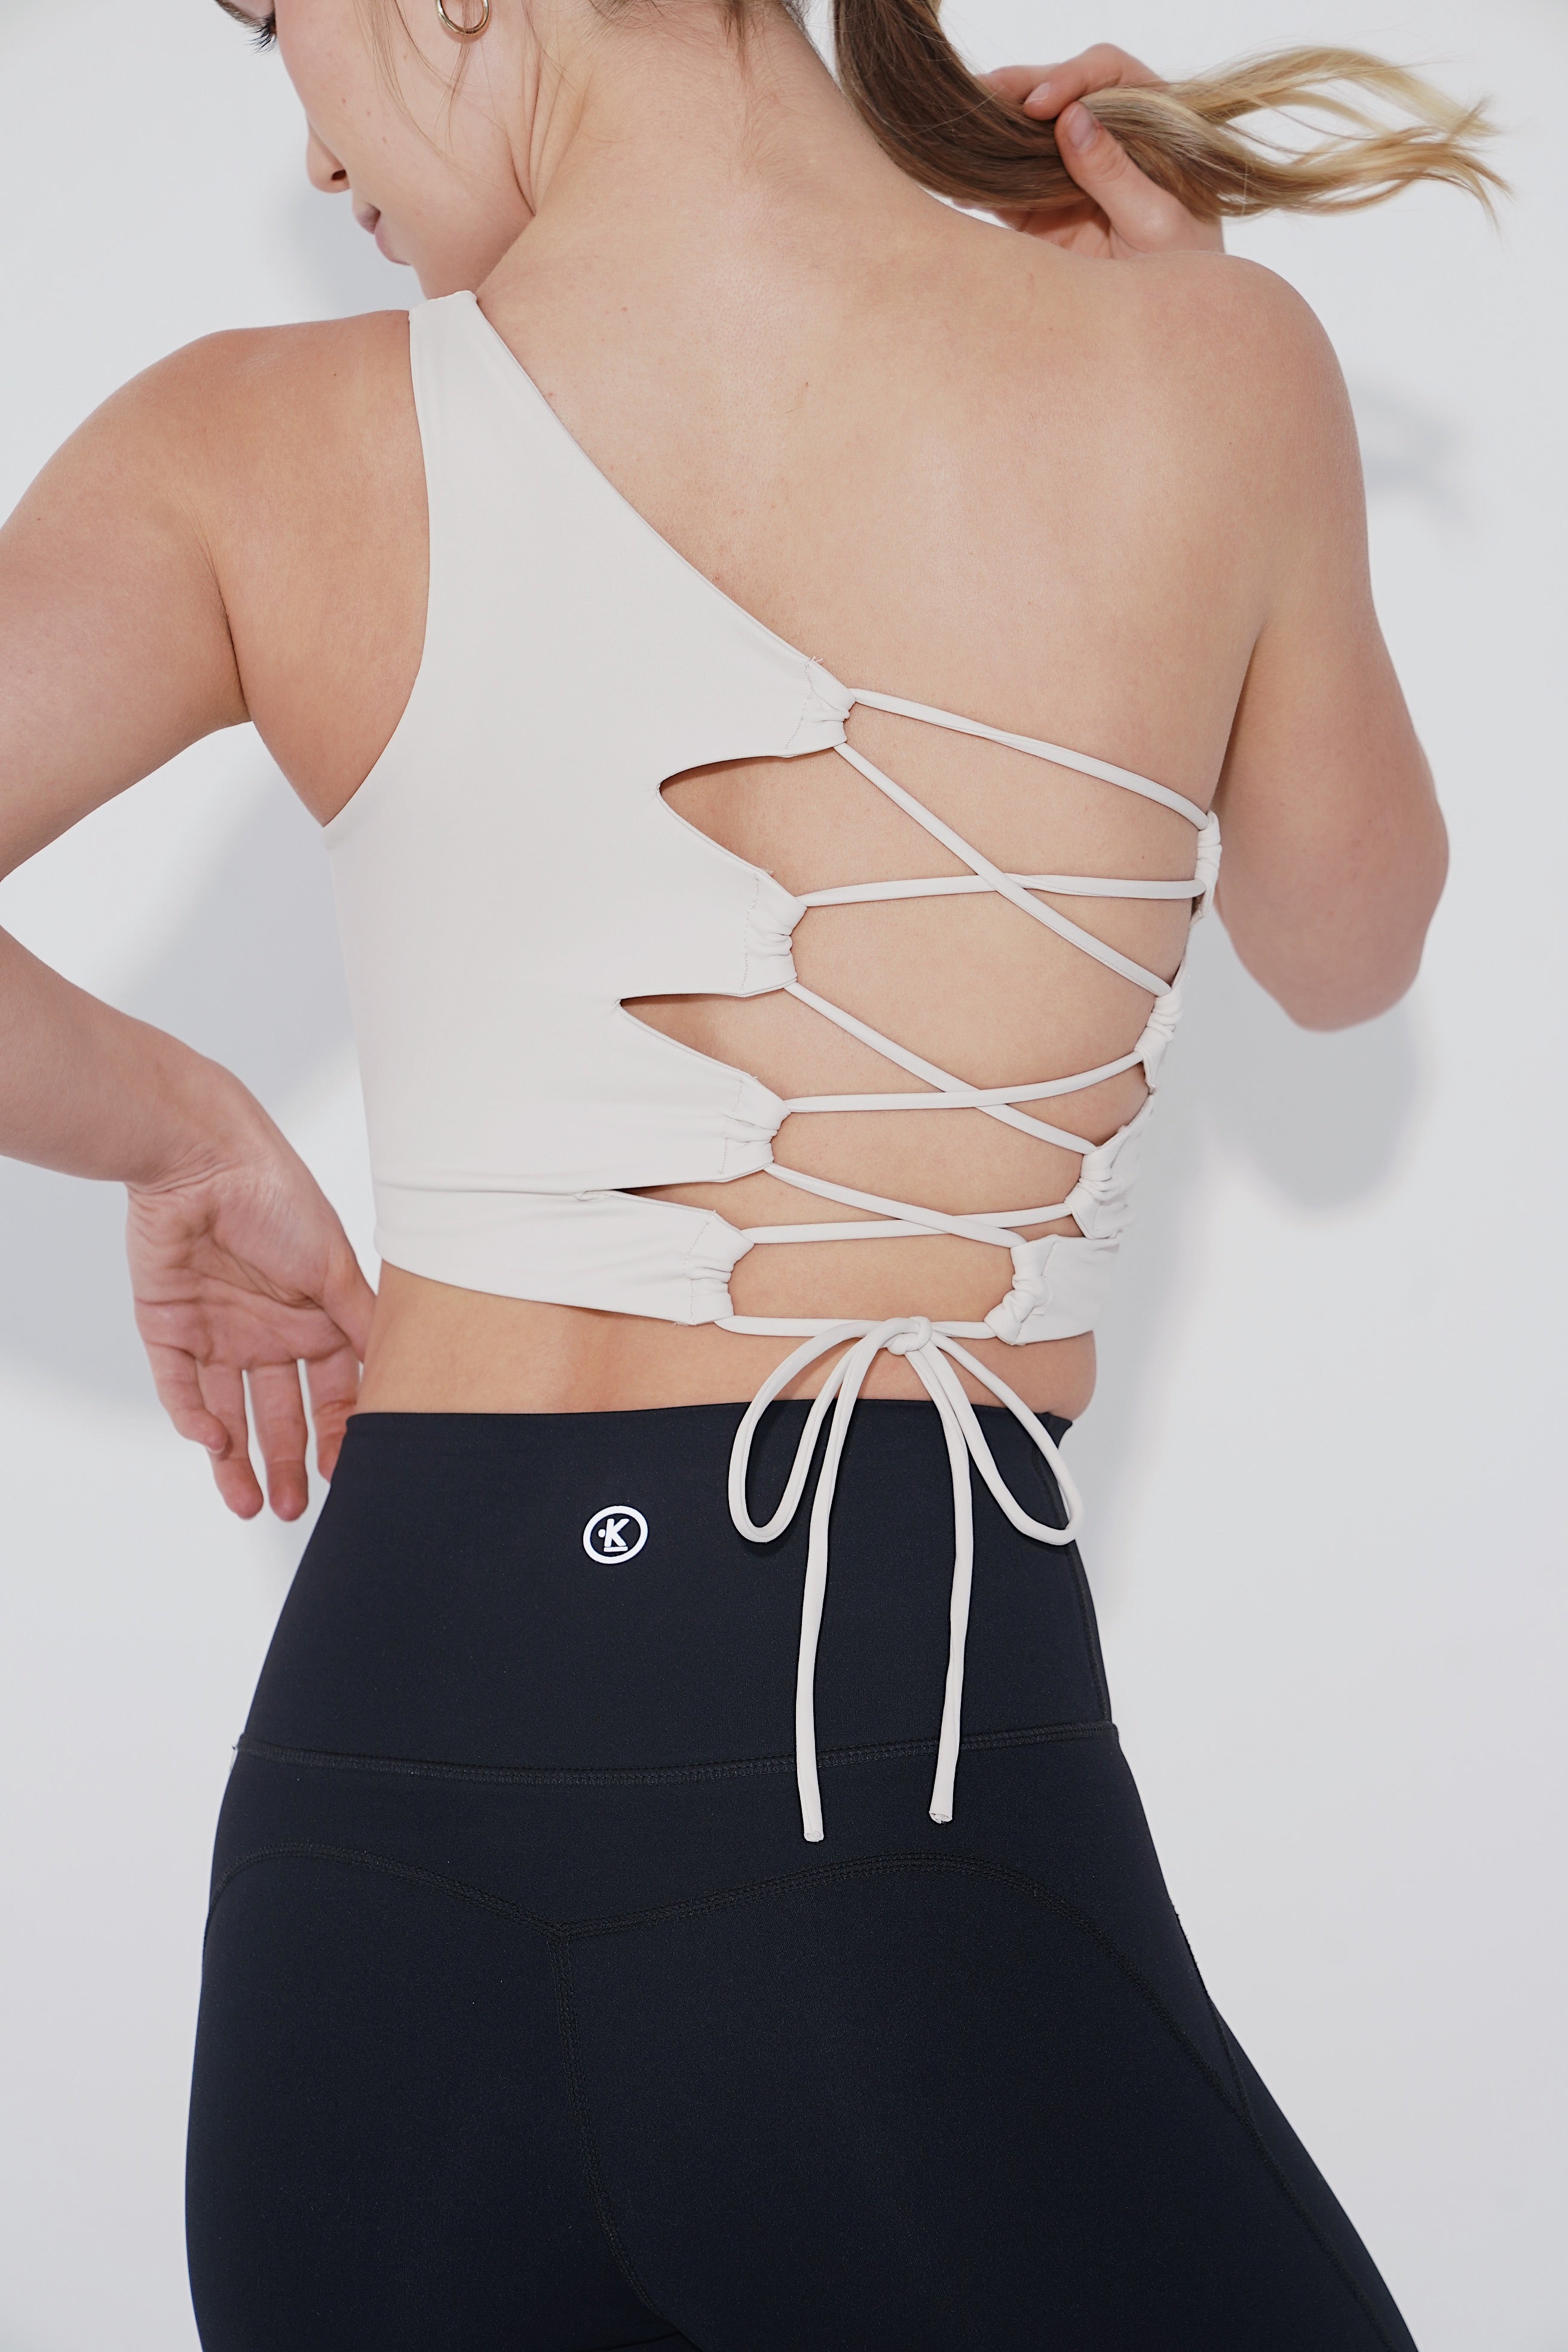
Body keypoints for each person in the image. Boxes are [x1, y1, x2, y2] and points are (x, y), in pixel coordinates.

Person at [0, 3, 1497, 2344]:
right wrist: (1195, 358)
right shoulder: (1194, 370)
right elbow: (1346, 945)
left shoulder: (245, 445)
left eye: (281, 21)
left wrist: (176, 1129)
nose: (307, 151)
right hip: (868, 1806)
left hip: (362, 1880)